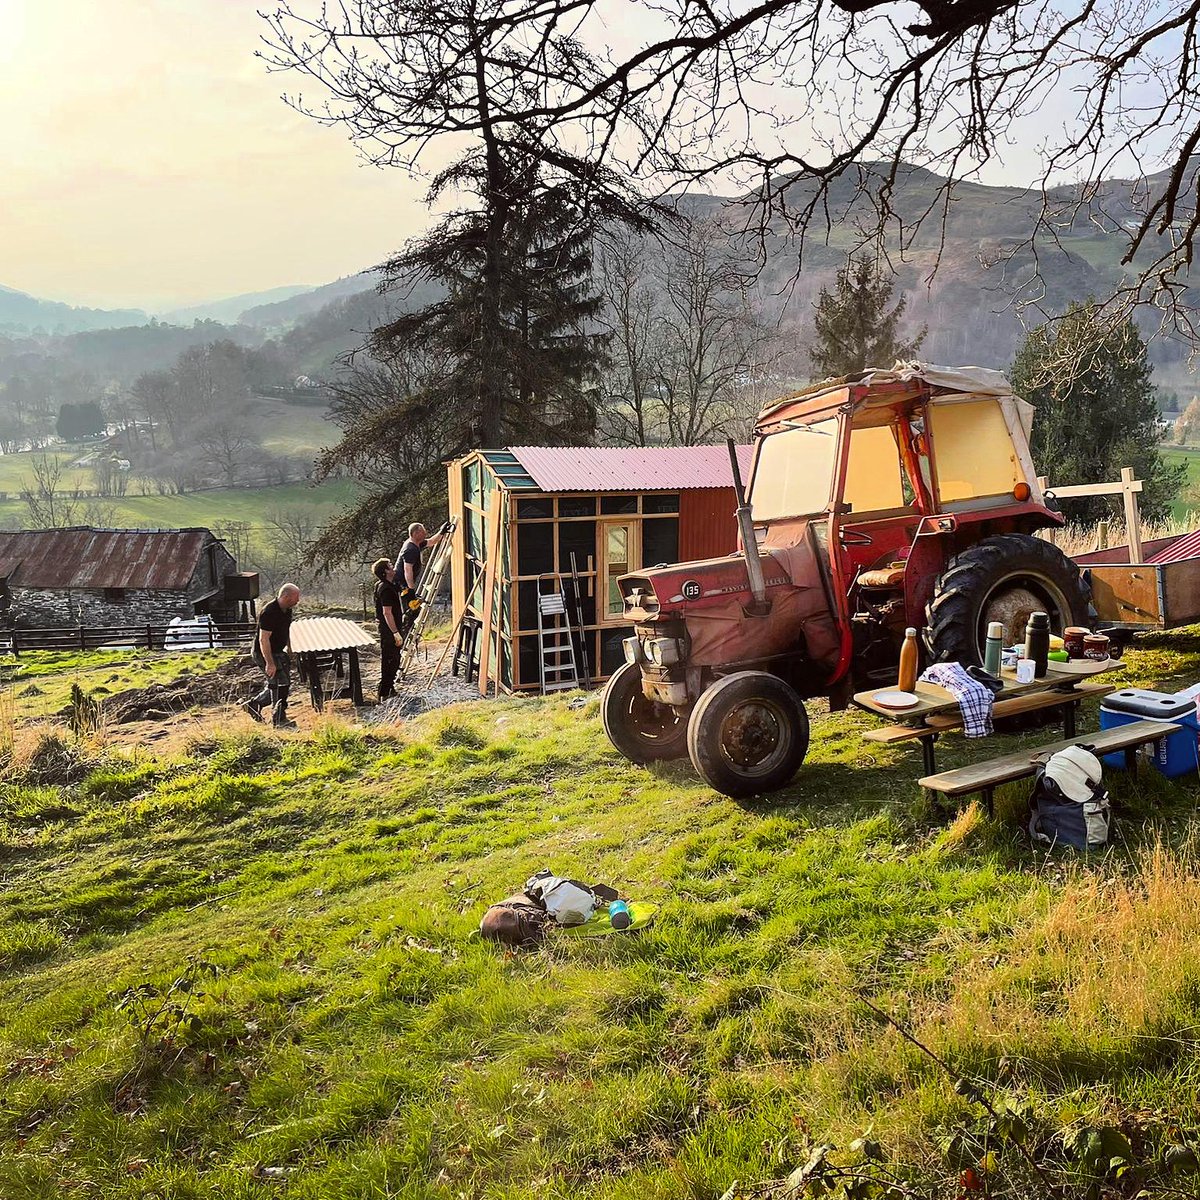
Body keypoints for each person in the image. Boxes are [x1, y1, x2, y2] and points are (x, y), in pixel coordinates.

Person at [244, 583, 301, 728]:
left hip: (278, 651)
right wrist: (269, 663)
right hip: (264, 652)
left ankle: (255, 704)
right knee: (278, 684)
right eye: (296, 597)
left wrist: (289, 647)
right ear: (286, 596)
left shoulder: (287, 610)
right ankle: (279, 719)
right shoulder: (269, 612)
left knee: (283, 683)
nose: (298, 600)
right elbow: (263, 639)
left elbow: (285, 629)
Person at [394, 520, 451, 611]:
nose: (425, 533)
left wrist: (441, 531)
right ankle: (408, 619)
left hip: (406, 583)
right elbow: (407, 570)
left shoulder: (416, 543)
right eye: (423, 532)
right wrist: (411, 590)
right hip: (402, 584)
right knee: (410, 608)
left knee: (413, 606)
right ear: (416, 534)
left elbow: (431, 541)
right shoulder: (410, 549)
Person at [372, 558, 404, 702]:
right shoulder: (385, 589)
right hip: (389, 630)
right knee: (391, 659)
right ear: (386, 571)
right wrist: (395, 633)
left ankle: (388, 688)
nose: (393, 567)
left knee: (392, 658)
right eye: (390, 566)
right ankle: (385, 691)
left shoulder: (384, 585)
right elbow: (387, 613)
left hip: (388, 628)